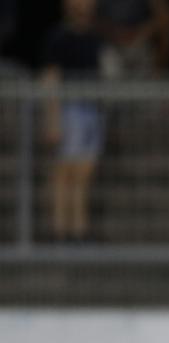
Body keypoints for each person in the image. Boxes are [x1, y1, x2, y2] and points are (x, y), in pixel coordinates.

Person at [42, 0, 105, 242]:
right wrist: (53, 119)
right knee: (65, 171)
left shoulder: (96, 37)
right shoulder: (60, 37)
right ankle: (60, 229)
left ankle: (79, 229)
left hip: (92, 110)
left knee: (84, 173)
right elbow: (51, 77)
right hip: (70, 110)